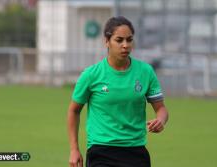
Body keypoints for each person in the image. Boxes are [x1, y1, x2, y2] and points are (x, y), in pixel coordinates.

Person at [67, 16, 169, 167]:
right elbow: (73, 111)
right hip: (101, 151)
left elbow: (161, 109)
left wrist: (161, 120)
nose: (125, 45)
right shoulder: (91, 75)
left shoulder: (145, 72)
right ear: (106, 41)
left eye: (129, 40)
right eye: (119, 40)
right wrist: (74, 149)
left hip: (136, 151)